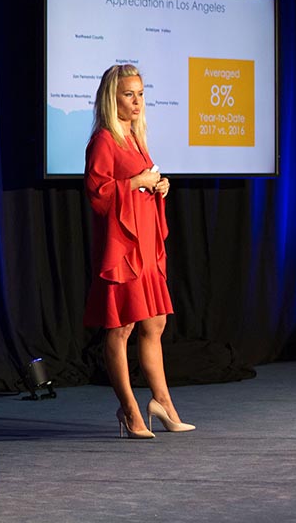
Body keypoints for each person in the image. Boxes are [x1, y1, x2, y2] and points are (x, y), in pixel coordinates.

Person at [83, 64, 195, 439]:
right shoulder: (103, 140)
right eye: (129, 94)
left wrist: (158, 185)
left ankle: (162, 403)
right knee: (121, 327)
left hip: (145, 242)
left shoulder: (135, 135)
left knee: (156, 322)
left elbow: (138, 183)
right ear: (112, 97)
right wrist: (136, 181)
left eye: (141, 94)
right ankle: (130, 411)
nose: (137, 101)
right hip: (122, 247)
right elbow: (98, 196)